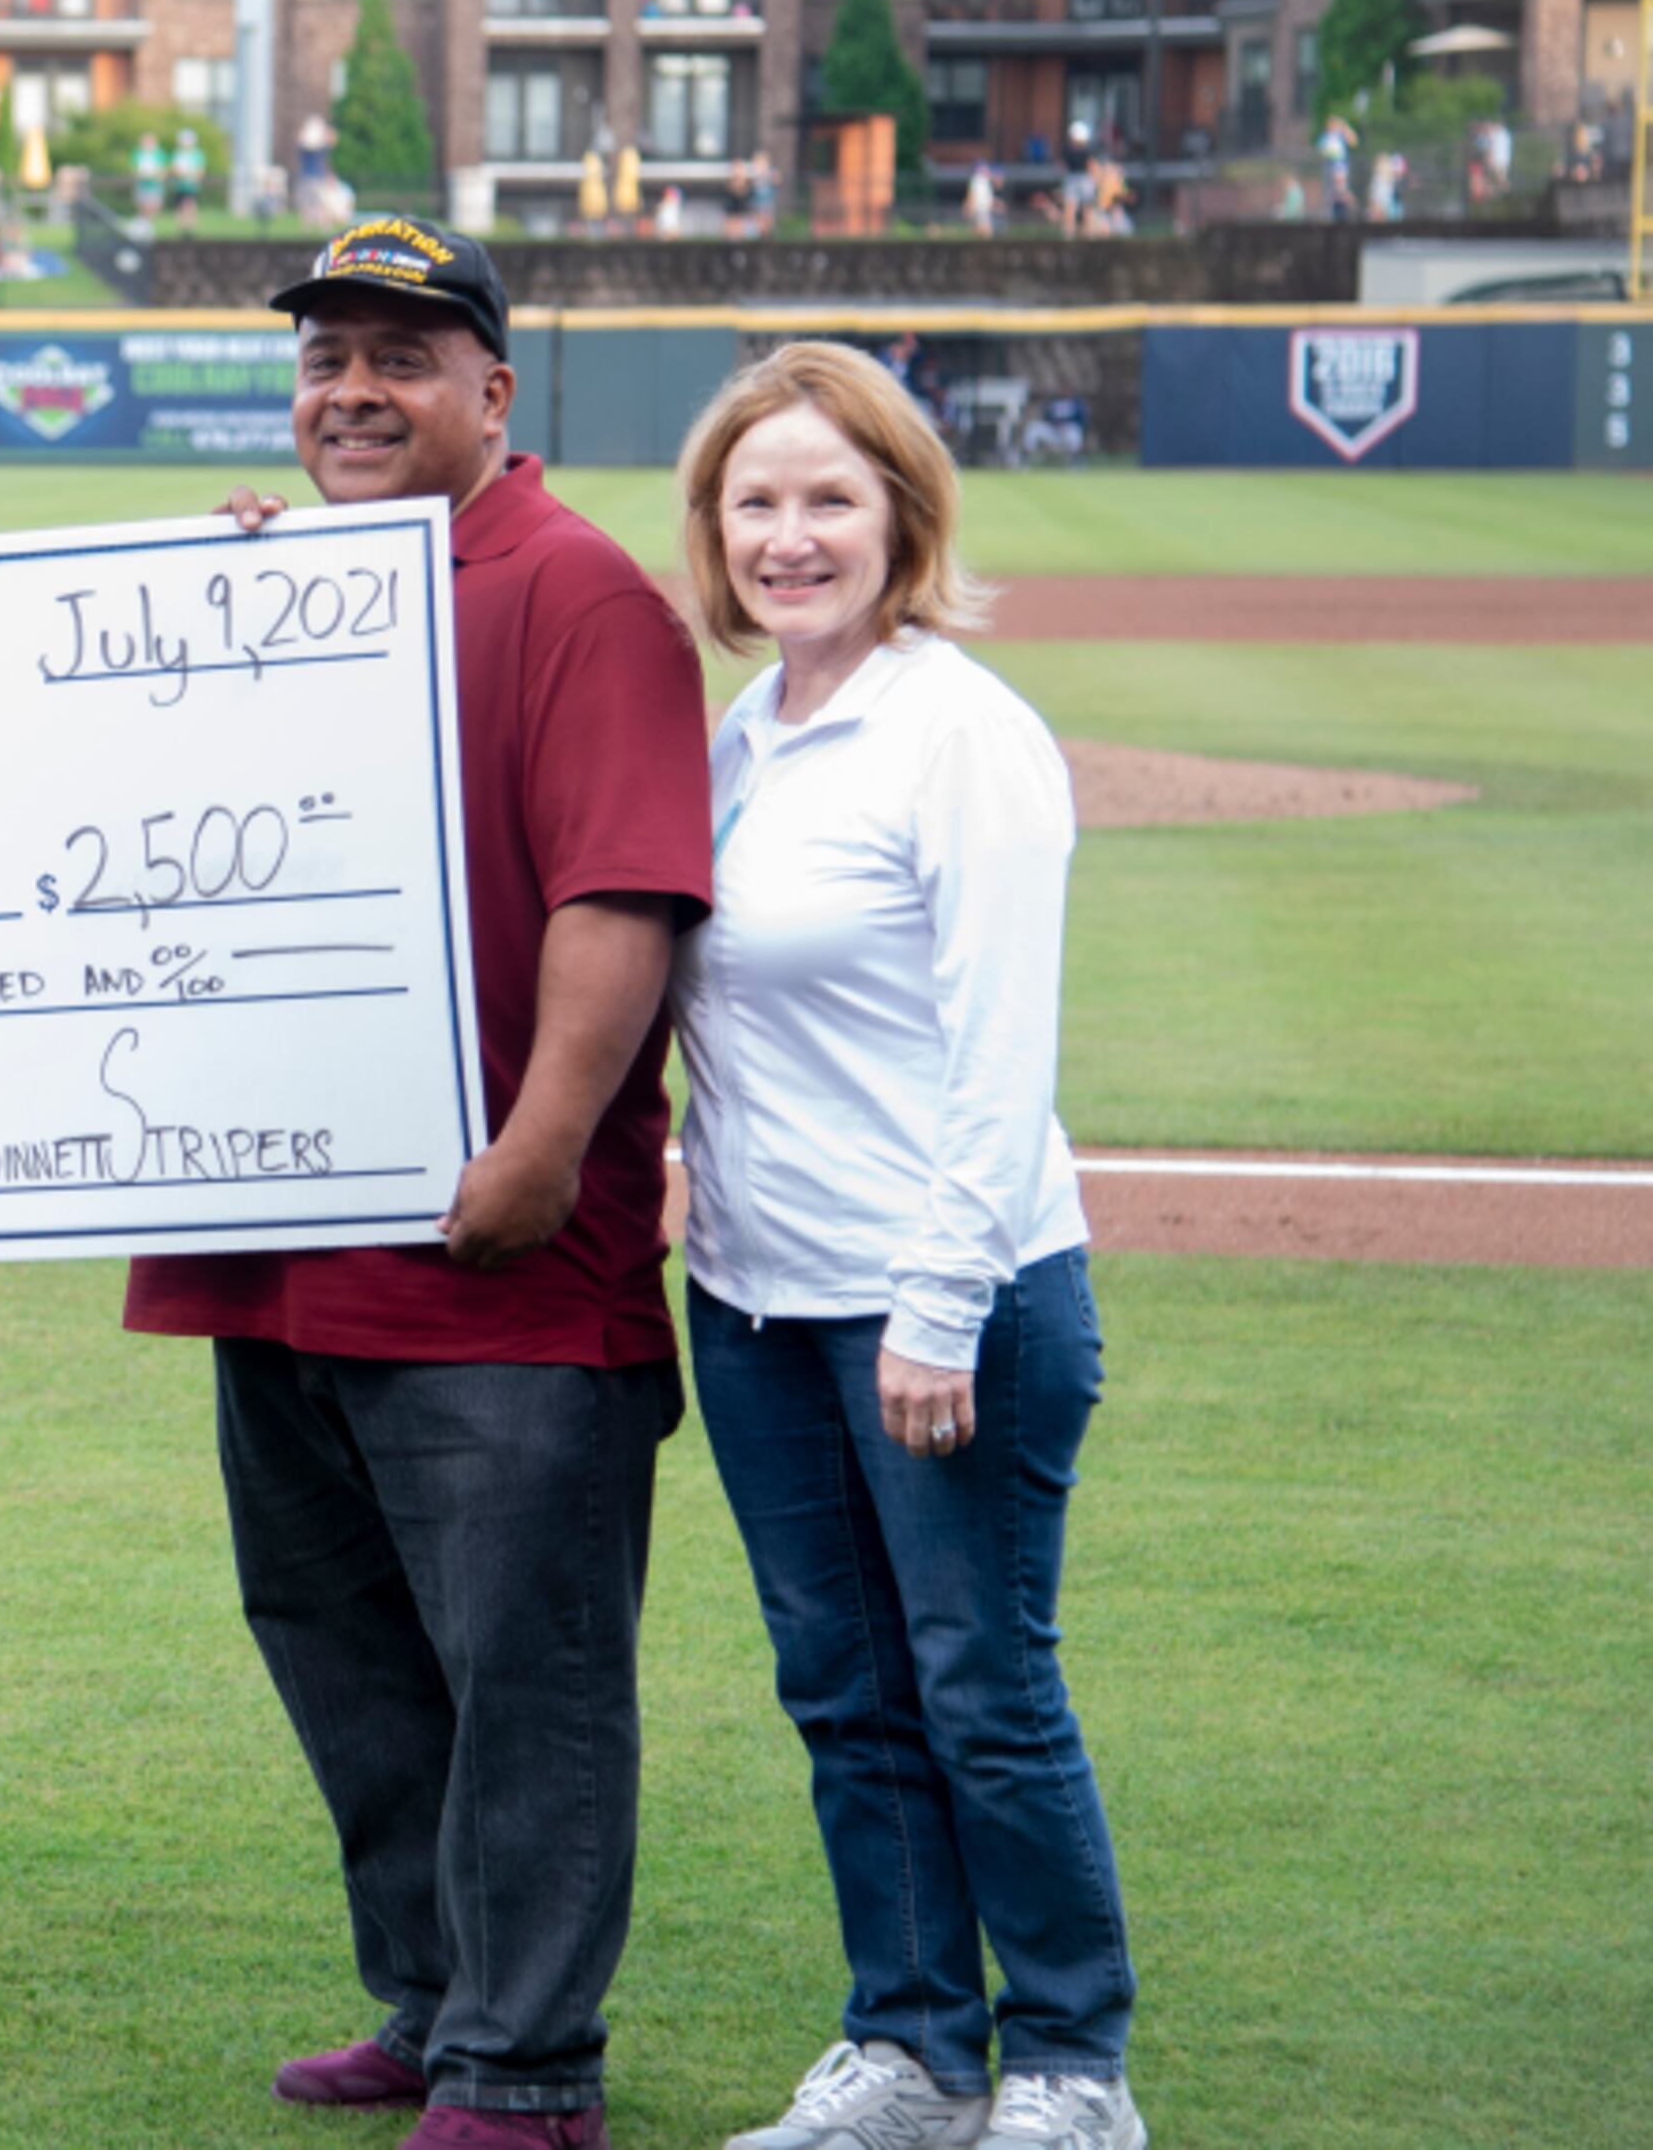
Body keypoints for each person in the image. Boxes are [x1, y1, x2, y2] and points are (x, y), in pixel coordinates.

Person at [128, 215, 713, 2150]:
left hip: (503, 1269)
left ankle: (529, 2072)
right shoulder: (295, 587)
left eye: (401, 357)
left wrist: (547, 1144)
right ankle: (438, 2003)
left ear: (492, 392)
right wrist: (209, 632)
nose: (354, 393)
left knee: (522, 1677)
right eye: (326, 361)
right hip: (281, 1249)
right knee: (345, 1649)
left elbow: (619, 890)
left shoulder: (575, 590)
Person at [667, 342, 1142, 2150]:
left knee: (983, 1688)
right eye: (756, 502)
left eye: (829, 498)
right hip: (760, 1304)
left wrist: (938, 1310)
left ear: (900, 516)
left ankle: (1073, 2068)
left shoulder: (963, 735)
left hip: (952, 1302)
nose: (791, 537)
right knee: (846, 1694)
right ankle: (917, 2051)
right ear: (715, 531)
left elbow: (1000, 1055)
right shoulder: (743, 738)